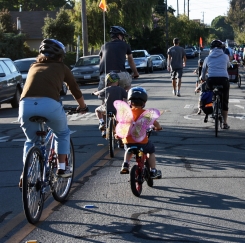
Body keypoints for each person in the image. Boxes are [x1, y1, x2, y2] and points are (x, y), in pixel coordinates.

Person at [18, 39, 88, 187]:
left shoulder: (33, 66)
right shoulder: (62, 67)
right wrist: (82, 106)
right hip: (49, 105)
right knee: (62, 133)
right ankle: (62, 168)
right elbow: (74, 89)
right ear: (60, 56)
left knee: (31, 141)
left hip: (25, 105)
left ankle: (26, 173)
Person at [119, 87, 162, 178]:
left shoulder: (126, 113)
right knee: (151, 150)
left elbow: (121, 125)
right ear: (144, 102)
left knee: (128, 150)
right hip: (142, 142)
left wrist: (117, 134)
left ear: (129, 101)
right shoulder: (146, 113)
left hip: (129, 141)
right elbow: (155, 123)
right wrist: (158, 127)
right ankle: (153, 170)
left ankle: (125, 164)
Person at [98, 26, 139, 93]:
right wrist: (135, 73)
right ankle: (124, 101)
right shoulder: (125, 45)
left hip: (105, 75)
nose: (123, 38)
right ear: (119, 35)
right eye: (123, 36)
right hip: (120, 74)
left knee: (102, 94)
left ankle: (104, 102)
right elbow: (130, 60)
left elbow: (101, 61)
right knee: (127, 86)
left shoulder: (104, 46)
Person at [200, 39, 231, 129]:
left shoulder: (207, 58)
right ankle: (225, 123)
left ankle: (210, 105)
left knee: (209, 93)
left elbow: (203, 71)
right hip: (223, 80)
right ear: (221, 48)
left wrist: (202, 78)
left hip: (211, 80)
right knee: (225, 100)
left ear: (211, 48)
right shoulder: (225, 56)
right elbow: (228, 66)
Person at [93, 71, 127, 137]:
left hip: (107, 109)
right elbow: (126, 96)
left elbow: (99, 93)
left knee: (97, 110)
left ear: (107, 82)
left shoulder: (106, 89)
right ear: (117, 81)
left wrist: (94, 93)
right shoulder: (121, 89)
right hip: (118, 110)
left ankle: (102, 122)